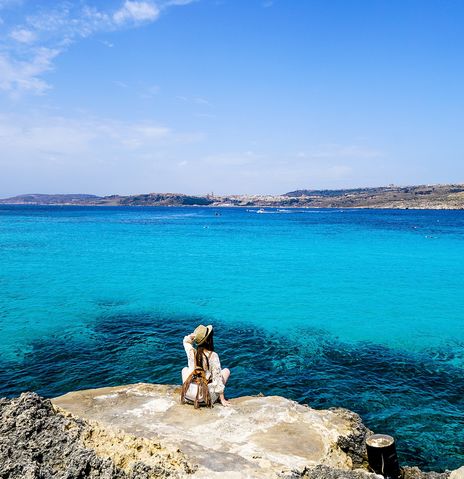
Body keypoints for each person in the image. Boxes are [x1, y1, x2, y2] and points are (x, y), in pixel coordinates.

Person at [182, 324, 231, 407]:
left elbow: (185, 341)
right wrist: (222, 399)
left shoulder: (192, 352)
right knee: (226, 371)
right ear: (208, 340)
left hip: (189, 396)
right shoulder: (213, 355)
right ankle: (218, 397)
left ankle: (189, 389)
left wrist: (193, 336)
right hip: (205, 399)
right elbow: (218, 379)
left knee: (184, 369)